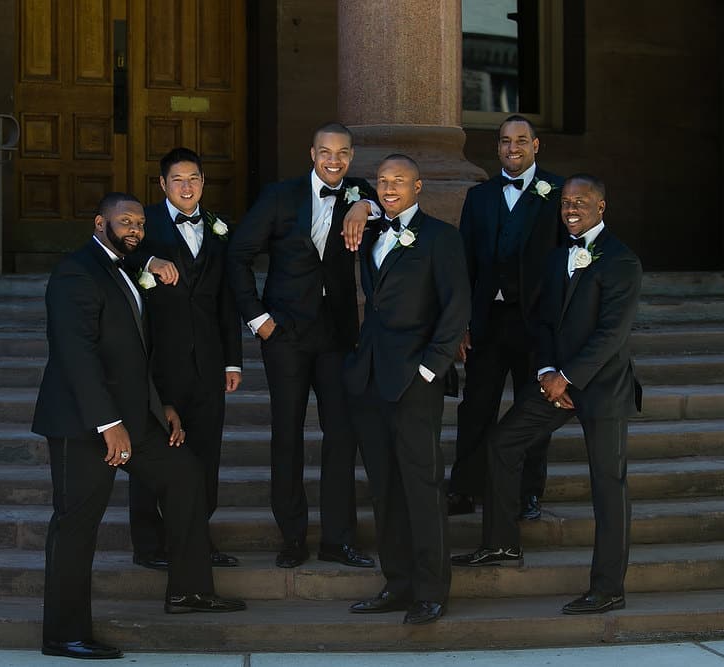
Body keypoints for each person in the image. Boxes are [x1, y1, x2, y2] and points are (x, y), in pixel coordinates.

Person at [32, 192, 245, 661]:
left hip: (137, 417)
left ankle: (188, 592)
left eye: (140, 224)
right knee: (75, 525)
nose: (133, 229)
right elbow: (76, 355)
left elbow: (136, 353)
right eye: (124, 221)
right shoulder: (75, 272)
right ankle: (63, 634)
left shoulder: (128, 269)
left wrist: (162, 404)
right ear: (99, 223)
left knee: (186, 475)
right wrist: (108, 424)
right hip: (83, 424)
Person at [452, 174, 642, 617]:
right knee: (502, 443)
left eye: (582, 201)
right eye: (566, 202)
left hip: (602, 387)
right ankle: (500, 543)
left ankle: (609, 587)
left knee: (607, 484)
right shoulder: (557, 259)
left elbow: (611, 333)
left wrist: (570, 379)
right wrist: (545, 371)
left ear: (601, 207)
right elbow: (539, 322)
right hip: (554, 380)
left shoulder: (622, 261)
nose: (571, 208)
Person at [226, 122, 376, 569]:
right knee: (287, 435)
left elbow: (390, 206)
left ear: (351, 156)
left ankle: (338, 538)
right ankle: (292, 537)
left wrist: (364, 204)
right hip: (285, 335)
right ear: (312, 153)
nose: (335, 160)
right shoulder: (278, 196)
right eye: (326, 152)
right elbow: (238, 254)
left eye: (343, 153)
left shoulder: (360, 191)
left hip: (337, 335)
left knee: (342, 435)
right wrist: (258, 320)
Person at [345, 155, 470, 625]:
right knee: (384, 489)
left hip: (416, 381)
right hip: (370, 378)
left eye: (399, 179)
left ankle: (431, 590)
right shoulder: (370, 229)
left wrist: (430, 370)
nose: (389, 186)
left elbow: (457, 307)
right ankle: (396, 584)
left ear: (419, 186)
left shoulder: (442, 238)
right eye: (382, 180)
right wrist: (362, 205)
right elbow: (350, 192)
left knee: (422, 486)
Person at [125, 148, 243, 571]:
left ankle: (197, 541)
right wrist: (149, 259)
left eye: (193, 178)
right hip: (159, 363)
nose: (187, 186)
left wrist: (233, 360)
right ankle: (149, 545)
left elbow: (225, 298)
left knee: (205, 456)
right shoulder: (146, 224)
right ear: (162, 184)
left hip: (209, 364)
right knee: (152, 453)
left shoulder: (218, 227)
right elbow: (114, 253)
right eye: (177, 179)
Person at [448, 114, 567, 521]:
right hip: (487, 320)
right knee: (476, 406)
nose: (511, 147)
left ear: (536, 146)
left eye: (520, 140)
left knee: (533, 409)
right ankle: (464, 488)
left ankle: (528, 493)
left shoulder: (558, 193)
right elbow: (464, 263)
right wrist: (461, 323)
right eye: (504, 141)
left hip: (537, 325)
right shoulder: (479, 197)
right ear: (496, 147)